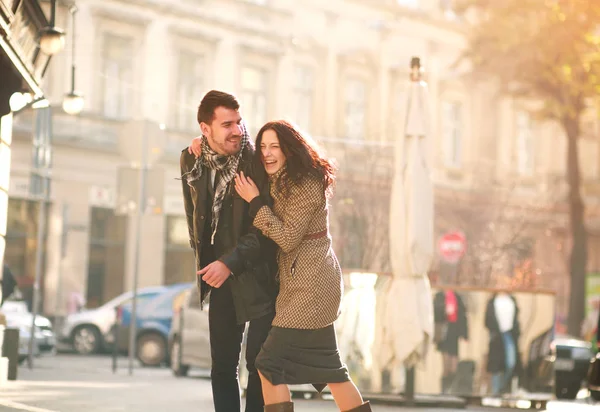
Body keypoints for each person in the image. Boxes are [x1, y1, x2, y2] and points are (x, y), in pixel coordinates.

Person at [233, 120, 371, 411]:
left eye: (275, 147)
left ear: (289, 149)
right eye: (263, 147)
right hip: (303, 283)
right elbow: (238, 149)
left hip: (311, 286)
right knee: (332, 371)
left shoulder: (306, 183)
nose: (267, 153)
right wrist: (199, 146)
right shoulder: (281, 178)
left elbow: (288, 237)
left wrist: (255, 202)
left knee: (268, 362)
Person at [180, 90, 277, 412]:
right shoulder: (191, 158)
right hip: (217, 277)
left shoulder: (256, 162)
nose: (237, 130)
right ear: (205, 129)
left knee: (258, 364)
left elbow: (263, 230)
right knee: (222, 366)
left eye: (239, 122)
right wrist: (208, 263)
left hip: (258, 274)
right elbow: (194, 216)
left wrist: (229, 263)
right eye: (227, 124)